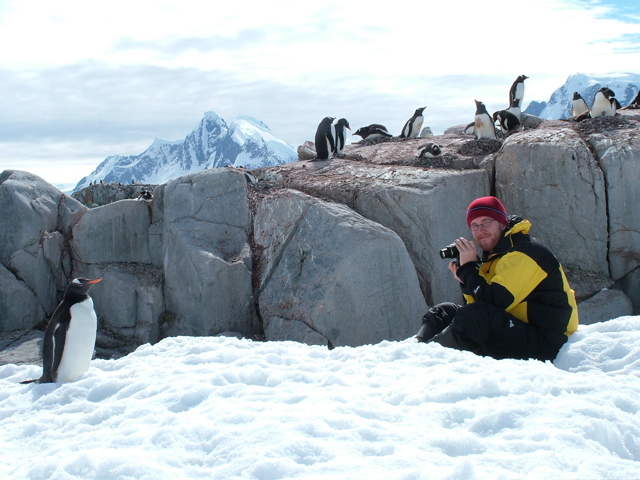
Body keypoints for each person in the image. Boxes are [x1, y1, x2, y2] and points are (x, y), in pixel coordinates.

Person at [416, 196, 579, 361]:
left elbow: (495, 302)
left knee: (472, 317)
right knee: (444, 311)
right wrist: (465, 279)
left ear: (502, 223)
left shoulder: (526, 251)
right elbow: (478, 304)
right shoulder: (497, 255)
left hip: (546, 339)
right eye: (474, 225)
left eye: (487, 222)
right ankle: (417, 351)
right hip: (518, 327)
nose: (481, 230)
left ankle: (428, 359)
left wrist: (469, 270)